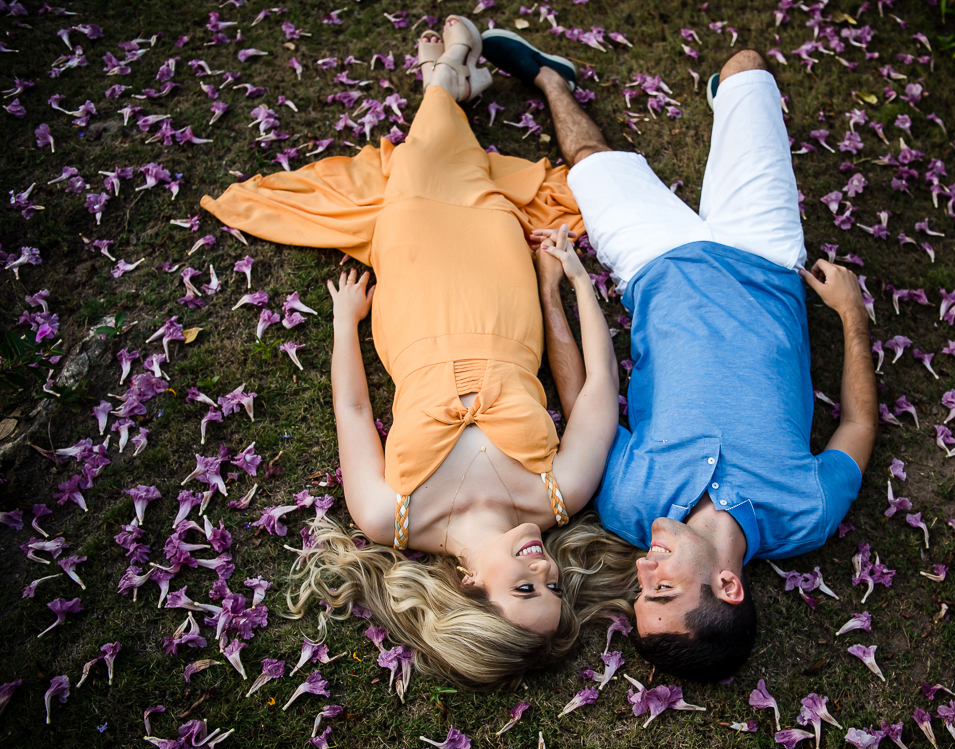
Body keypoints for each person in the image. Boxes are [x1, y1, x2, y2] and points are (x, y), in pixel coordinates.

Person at [201, 17, 626, 690]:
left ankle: (448, 77)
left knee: (415, 181)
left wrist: (346, 322)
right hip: (501, 296)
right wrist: (576, 283)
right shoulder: (560, 494)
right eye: (552, 583)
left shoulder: (386, 515)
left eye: (526, 586)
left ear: (468, 586)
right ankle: (446, 81)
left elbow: (351, 406)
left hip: (414, 309)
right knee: (481, 191)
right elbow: (602, 382)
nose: (544, 567)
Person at [483, 36, 878, 682]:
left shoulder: (628, 504)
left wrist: (552, 289)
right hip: (768, 257)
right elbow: (857, 427)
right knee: (747, 66)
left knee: (588, 160)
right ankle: (733, 104)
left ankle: (554, 81)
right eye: (663, 590)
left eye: (643, 591)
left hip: (654, 262)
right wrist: (850, 313)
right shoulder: (806, 515)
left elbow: (583, 395)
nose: (643, 571)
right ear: (728, 585)